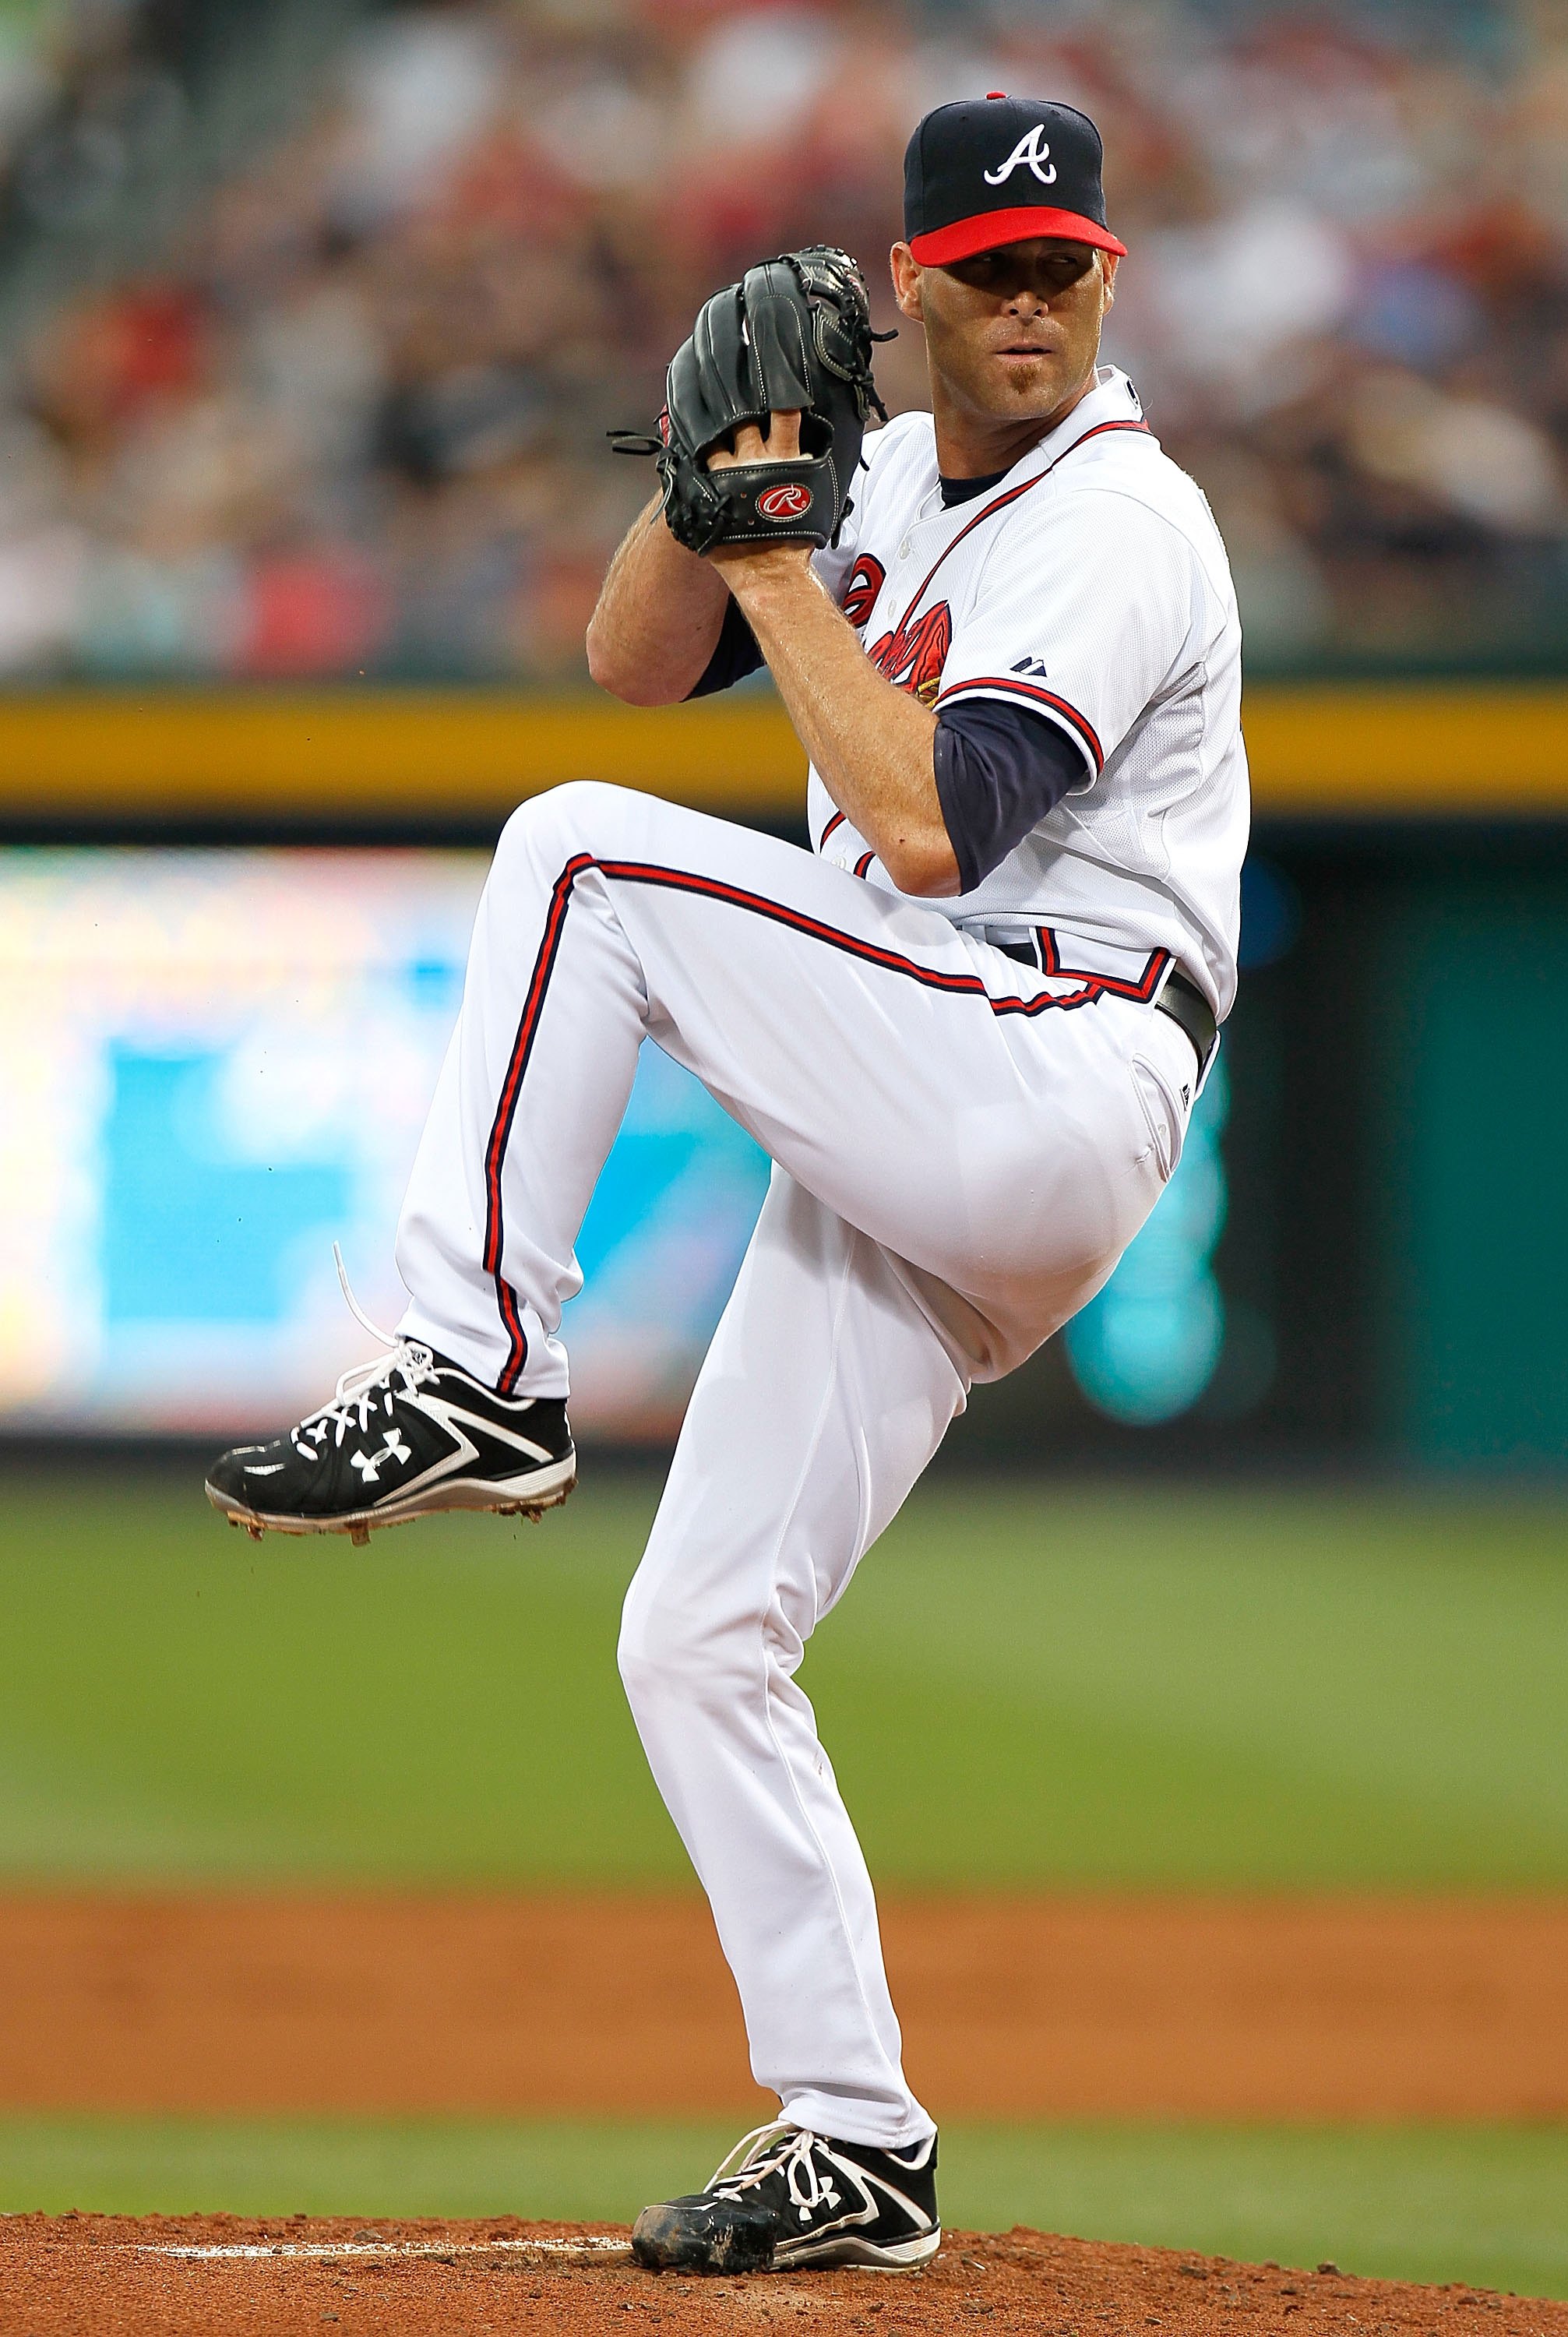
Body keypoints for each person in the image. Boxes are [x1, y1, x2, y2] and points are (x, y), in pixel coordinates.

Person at [206, 93, 1248, 2275]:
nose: (1033, 300)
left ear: (1106, 278)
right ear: (917, 290)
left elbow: (949, 825)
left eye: (1065, 262)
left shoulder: (1117, 520)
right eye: (991, 269)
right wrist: (705, 492)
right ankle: (853, 2136)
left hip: (1041, 1050)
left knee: (576, 846)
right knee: (697, 1636)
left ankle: (477, 1360)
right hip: (921, 1077)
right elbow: (630, 661)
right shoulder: (878, 474)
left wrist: (775, 554)